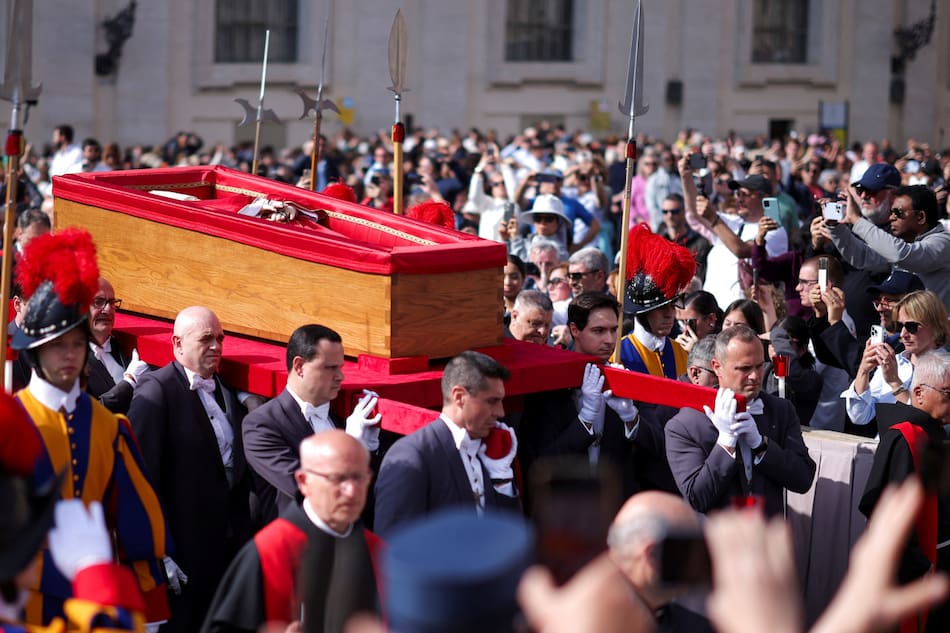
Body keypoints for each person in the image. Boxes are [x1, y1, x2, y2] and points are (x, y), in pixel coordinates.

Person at [11, 229, 169, 627]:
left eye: (77, 344)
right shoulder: (10, 423)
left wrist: (148, 596)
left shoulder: (109, 429)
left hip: (92, 596)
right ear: (35, 350)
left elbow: (136, 523)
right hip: (21, 599)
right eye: (58, 344)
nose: (69, 355)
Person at [128, 306, 255, 633]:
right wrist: (158, 552)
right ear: (178, 343)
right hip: (182, 553)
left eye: (220, 338)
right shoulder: (156, 391)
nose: (216, 346)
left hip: (226, 548)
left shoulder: (227, 390)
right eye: (206, 339)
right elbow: (142, 478)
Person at [202, 431, 379, 633]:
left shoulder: (378, 552)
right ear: (303, 481)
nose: (352, 491)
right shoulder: (269, 552)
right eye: (337, 478)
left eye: (359, 477)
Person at [665, 325, 816, 517]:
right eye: (744, 368)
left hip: (769, 539)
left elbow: (803, 479)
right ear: (717, 367)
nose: (754, 376)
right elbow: (697, 497)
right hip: (718, 542)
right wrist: (726, 442)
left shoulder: (780, 410)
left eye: (760, 366)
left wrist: (761, 446)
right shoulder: (684, 425)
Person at [243, 324, 381, 523]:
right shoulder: (262, 425)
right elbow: (307, 491)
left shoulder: (342, 415)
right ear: (299, 366)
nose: (340, 376)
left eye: (340, 367)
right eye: (329, 368)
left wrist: (368, 451)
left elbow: (368, 492)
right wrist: (350, 448)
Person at [374, 351, 520, 537]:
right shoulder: (411, 456)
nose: (500, 412)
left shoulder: (485, 451)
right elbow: (393, 548)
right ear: (459, 397)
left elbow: (510, 537)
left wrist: (501, 479)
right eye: (492, 401)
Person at [858, 350, 950, 633]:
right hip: (916, 569)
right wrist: (918, 566)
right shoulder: (903, 437)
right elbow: (887, 511)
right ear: (919, 393)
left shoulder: (937, 434)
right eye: (949, 392)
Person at [518, 293, 640, 496]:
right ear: (575, 330)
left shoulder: (623, 379)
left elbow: (643, 454)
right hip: (562, 506)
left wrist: (631, 419)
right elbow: (542, 462)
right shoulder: (549, 385)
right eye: (599, 331)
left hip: (613, 505)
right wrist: (586, 419)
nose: (610, 340)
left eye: (613, 330)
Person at [824, 183, 950, 311]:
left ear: (920, 217)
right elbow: (863, 256)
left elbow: (901, 255)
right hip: (906, 327)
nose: (891, 218)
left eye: (897, 213)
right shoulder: (906, 244)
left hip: (935, 329)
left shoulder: (943, 243)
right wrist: (836, 228)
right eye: (891, 212)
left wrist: (856, 220)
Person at [608, 491, 715, 633]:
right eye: (688, 548)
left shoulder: (699, 624)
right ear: (652, 555)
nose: (697, 562)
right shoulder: (587, 621)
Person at [842, 290, 950, 429]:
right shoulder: (894, 362)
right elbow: (859, 416)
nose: (903, 334)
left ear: (935, 327)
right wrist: (863, 371)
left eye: (911, 327)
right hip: (888, 445)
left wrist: (895, 384)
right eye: (900, 326)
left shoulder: (946, 369)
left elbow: (925, 425)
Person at [618, 225, 696, 379]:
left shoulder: (683, 353)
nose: (670, 314)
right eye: (661, 308)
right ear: (643, 312)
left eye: (672, 306)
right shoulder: (618, 354)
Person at [85, 277, 149, 414]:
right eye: (98, 302)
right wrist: (130, 381)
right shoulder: (71, 358)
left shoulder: (120, 346)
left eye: (112, 302)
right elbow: (89, 413)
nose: (107, 309)